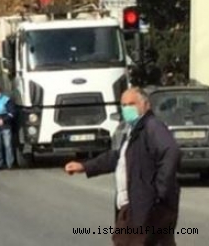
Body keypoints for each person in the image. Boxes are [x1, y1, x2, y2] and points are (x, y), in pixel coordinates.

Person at [64, 87, 181, 246]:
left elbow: (170, 151)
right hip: (135, 206)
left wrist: (160, 192)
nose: (127, 109)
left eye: (131, 104)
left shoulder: (152, 126)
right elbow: (118, 157)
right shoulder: (134, 130)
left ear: (145, 105)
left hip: (146, 207)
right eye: (124, 105)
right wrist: (85, 166)